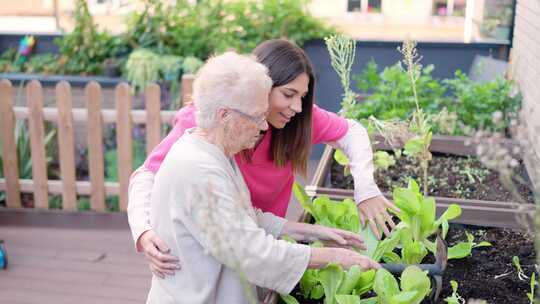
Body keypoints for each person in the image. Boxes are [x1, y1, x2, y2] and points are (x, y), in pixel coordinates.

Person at [128, 39, 399, 278]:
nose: (297, 107)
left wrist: (365, 189)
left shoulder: (295, 118)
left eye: (302, 97)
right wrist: (143, 230)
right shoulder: (205, 126)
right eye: (288, 94)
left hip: (262, 238)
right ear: (260, 85)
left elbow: (352, 131)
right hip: (219, 250)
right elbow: (148, 174)